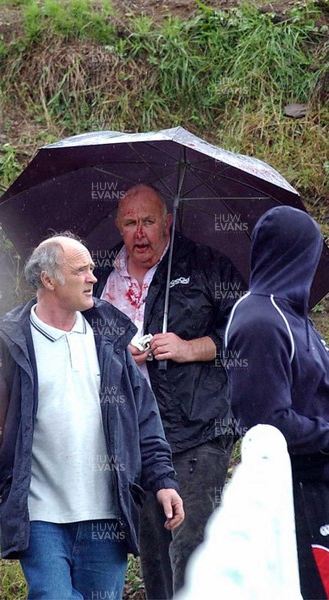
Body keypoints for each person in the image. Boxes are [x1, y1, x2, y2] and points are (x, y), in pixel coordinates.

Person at [0, 232, 184, 600]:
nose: (93, 277)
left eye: (92, 268)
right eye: (82, 270)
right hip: (39, 516)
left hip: (107, 516)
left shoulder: (109, 336)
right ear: (49, 279)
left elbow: (143, 419)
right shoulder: (12, 342)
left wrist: (164, 480)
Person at [94, 183, 246, 597]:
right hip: (136, 433)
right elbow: (79, 343)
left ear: (168, 222)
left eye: (148, 221)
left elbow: (243, 336)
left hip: (198, 428)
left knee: (191, 541)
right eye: (130, 223)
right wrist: (114, 352)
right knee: (154, 550)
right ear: (118, 226)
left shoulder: (206, 266)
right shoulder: (99, 275)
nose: (139, 232)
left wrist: (186, 348)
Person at [224, 206, 329, 599]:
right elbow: (265, 424)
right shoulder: (260, 321)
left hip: (317, 486)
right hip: (295, 492)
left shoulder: (294, 317)